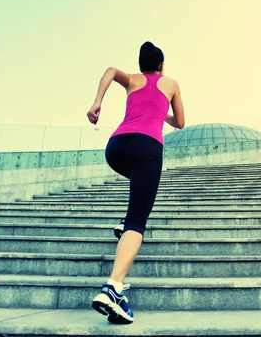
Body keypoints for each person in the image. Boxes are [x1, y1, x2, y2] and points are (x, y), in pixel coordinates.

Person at [86, 41, 185, 324]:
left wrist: (97, 102)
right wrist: (160, 111)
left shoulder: (131, 79)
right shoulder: (171, 83)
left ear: (141, 64)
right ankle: (114, 288)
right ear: (162, 65)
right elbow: (180, 122)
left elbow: (110, 70)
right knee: (138, 221)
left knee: (139, 193)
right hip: (146, 146)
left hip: (116, 147)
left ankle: (125, 221)